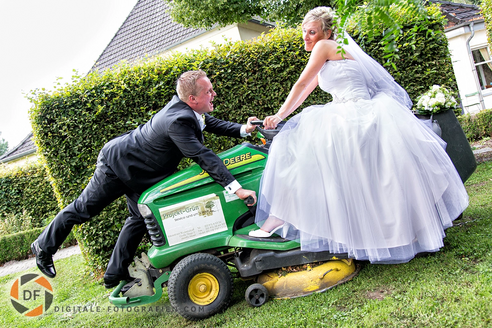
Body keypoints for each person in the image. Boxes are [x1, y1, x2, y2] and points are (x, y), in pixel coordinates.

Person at [249, 7, 469, 264]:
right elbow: (307, 90)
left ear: (327, 32)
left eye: (312, 32)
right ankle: (402, 233)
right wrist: (283, 114)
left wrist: (277, 116)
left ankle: (278, 218)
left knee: (304, 159)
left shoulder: (324, 48)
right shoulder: (335, 51)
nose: (306, 38)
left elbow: (299, 83)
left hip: (352, 113)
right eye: (304, 32)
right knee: (372, 179)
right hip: (362, 111)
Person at [31, 70, 258, 288]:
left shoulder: (187, 110)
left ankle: (114, 274)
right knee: (83, 209)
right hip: (118, 165)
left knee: (139, 218)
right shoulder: (178, 119)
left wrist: (244, 129)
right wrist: (237, 190)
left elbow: (209, 123)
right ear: (192, 98)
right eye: (208, 91)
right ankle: (43, 247)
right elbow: (203, 156)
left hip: (141, 173)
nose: (214, 94)